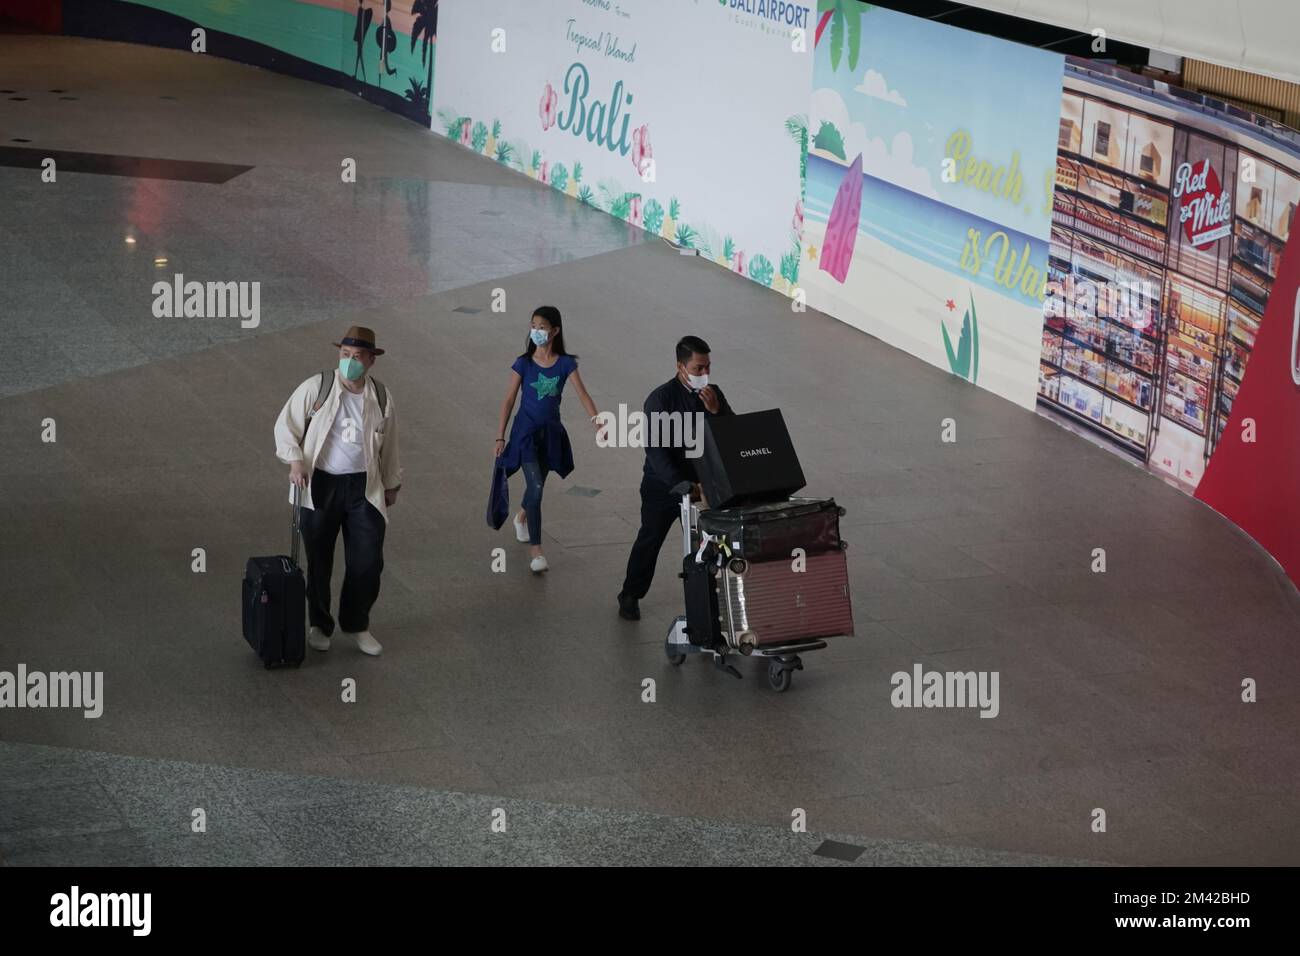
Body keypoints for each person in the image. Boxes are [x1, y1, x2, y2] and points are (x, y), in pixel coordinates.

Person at [273, 325, 402, 656]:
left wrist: (391, 484)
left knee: (368, 560)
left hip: (364, 487)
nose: (350, 362)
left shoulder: (381, 397)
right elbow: (285, 426)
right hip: (321, 485)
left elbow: (390, 445)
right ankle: (319, 623)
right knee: (319, 559)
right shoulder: (317, 387)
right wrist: (295, 461)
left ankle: (357, 624)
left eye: (358, 356)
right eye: (345, 355)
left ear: (371, 360)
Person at [617, 335, 733, 620]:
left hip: (702, 486)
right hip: (664, 486)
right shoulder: (660, 399)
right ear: (680, 367)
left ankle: (710, 603)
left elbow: (732, 435)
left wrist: (717, 412)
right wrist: (682, 486)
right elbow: (656, 452)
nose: (704, 375)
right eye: (698, 369)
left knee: (705, 544)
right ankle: (630, 594)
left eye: (707, 368)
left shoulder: (713, 393)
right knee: (650, 538)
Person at [495, 306, 602, 573]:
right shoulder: (524, 363)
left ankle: (521, 516)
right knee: (537, 487)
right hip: (526, 434)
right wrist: (500, 436)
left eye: (542, 327)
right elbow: (508, 399)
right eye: (533, 325)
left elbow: (583, 394)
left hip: (551, 433)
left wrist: (597, 420)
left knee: (537, 483)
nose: (536, 331)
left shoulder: (566, 364)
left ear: (554, 331)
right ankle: (537, 551)